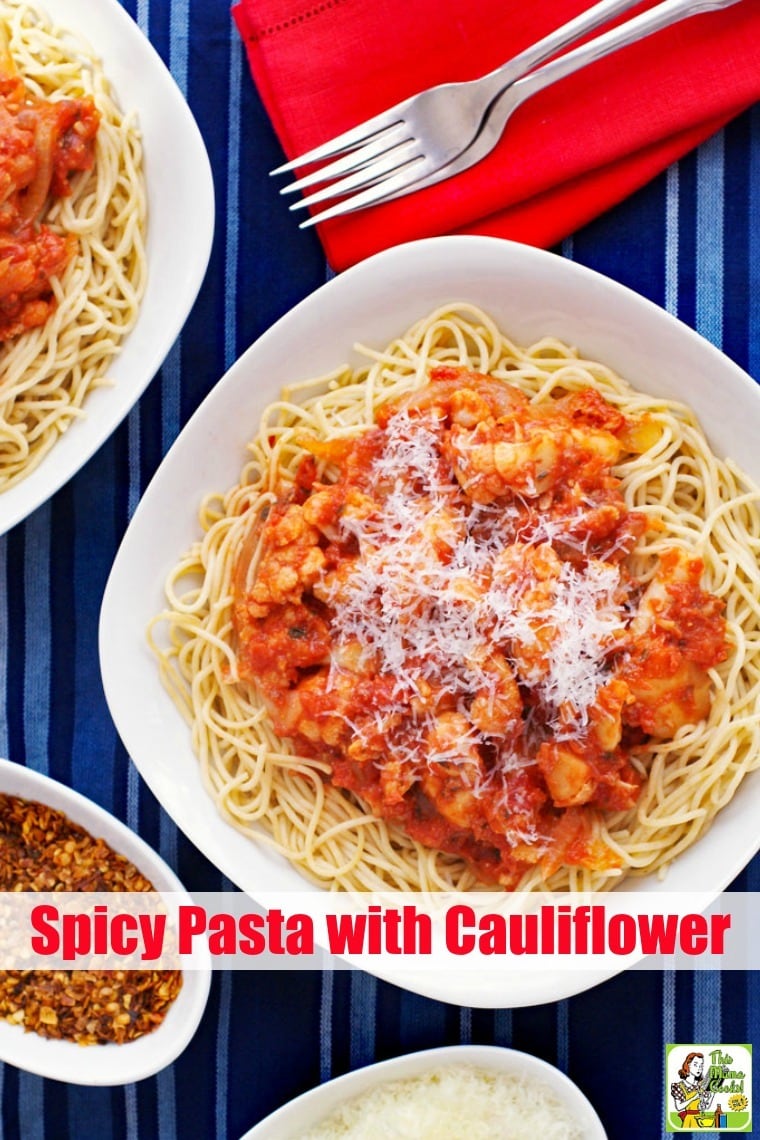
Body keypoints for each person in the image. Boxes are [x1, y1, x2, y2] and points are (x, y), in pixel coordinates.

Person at [670, 1053, 716, 1129]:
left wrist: (713, 1093)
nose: (699, 1068)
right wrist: (693, 1098)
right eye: (695, 1064)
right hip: (689, 1121)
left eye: (701, 1065)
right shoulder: (678, 1086)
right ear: (688, 1065)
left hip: (700, 1120)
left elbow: (705, 1107)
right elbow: (678, 1107)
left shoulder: (701, 1086)